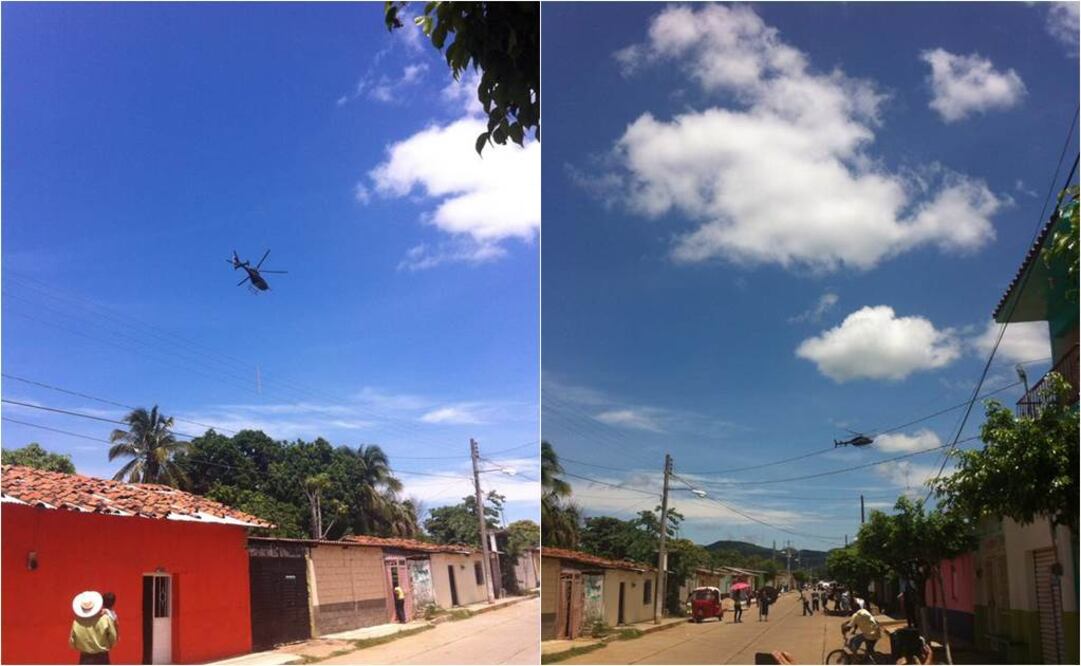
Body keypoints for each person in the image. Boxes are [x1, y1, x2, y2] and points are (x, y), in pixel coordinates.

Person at [70, 591, 117, 664]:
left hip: (85, 657)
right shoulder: (105, 619)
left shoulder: (76, 622)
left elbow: (72, 643)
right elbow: (113, 638)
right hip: (102, 657)